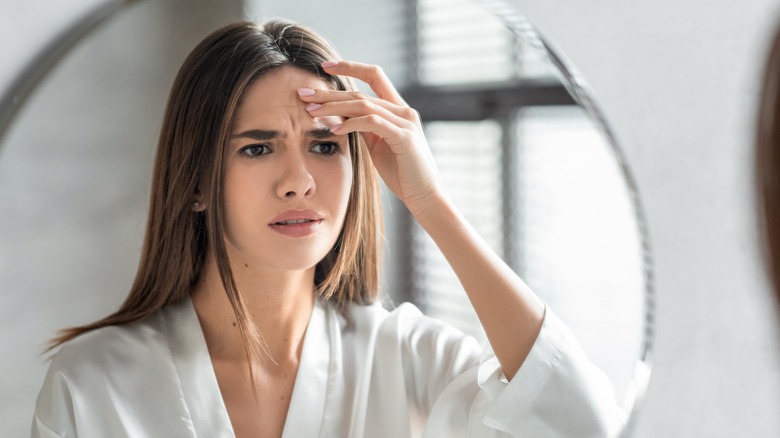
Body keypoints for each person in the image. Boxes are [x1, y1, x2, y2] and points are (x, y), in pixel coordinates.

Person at [31, 19, 624, 437]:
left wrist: (430, 200)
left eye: (323, 145)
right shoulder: (94, 381)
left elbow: (583, 424)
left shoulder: (410, 359)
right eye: (258, 149)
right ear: (192, 183)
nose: (299, 182)